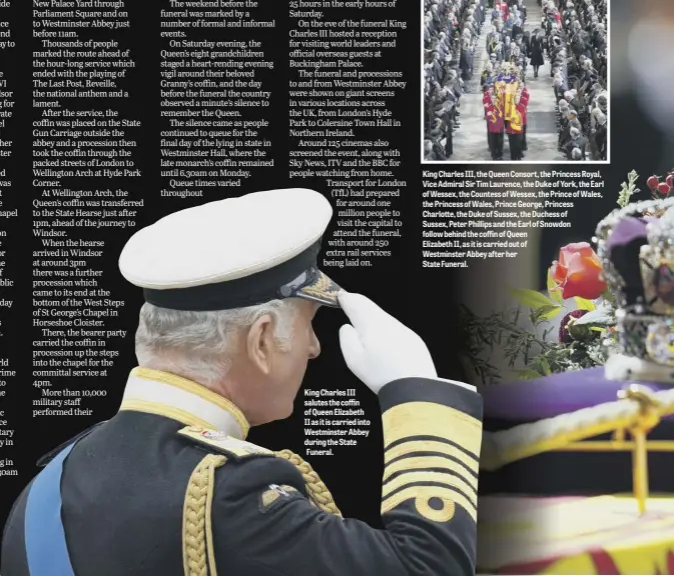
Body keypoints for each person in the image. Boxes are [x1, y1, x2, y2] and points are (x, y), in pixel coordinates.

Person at [1, 189, 483, 576]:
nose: (314, 348)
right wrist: (418, 391)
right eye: (309, 325)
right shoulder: (229, 497)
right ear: (262, 339)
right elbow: (428, 566)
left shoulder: (50, 480)